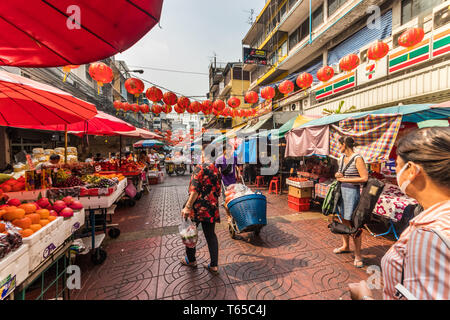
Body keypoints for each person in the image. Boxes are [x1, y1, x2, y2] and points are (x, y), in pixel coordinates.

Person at [349, 127, 450, 300]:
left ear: (411, 170)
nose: (396, 171)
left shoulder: (429, 234)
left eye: (397, 165)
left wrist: (364, 297)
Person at [181, 141, 222, 274]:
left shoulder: (200, 168)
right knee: (211, 236)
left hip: (197, 208)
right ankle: (214, 265)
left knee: (190, 232)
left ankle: (191, 260)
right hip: (211, 208)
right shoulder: (216, 170)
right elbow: (218, 191)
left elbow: (194, 191)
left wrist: (187, 207)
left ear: (204, 154)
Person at [334, 136, 369, 268]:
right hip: (341, 192)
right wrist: (338, 175)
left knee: (355, 224)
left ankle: (358, 254)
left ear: (344, 144)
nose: (338, 147)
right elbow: (340, 173)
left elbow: (364, 178)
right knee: (344, 221)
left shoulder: (357, 158)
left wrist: (345, 180)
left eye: (339, 145)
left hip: (352, 193)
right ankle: (345, 246)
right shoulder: (341, 158)